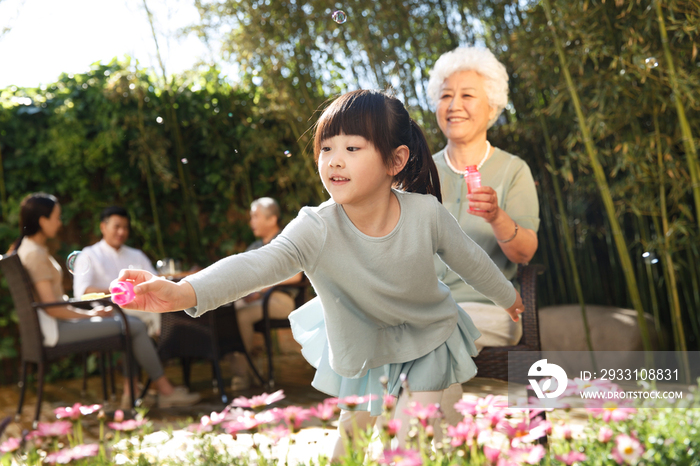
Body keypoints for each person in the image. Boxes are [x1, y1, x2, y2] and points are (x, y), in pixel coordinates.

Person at [115, 90, 524, 460]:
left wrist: (507, 295)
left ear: (395, 160)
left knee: (408, 444)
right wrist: (184, 291)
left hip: (429, 339)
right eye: (326, 148)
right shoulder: (316, 226)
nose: (334, 160)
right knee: (350, 445)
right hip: (365, 350)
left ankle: (446, 425)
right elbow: (258, 263)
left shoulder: (426, 214)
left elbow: (470, 259)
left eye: (351, 147)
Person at [7, 193, 200, 410]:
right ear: (43, 220)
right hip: (56, 329)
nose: (60, 223)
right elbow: (53, 309)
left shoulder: (30, 250)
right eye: (57, 217)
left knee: (130, 325)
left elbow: (52, 305)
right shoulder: (35, 254)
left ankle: (135, 391)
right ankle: (165, 390)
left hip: (55, 325)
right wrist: (91, 314)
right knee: (133, 325)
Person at [426, 46, 539, 352]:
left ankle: (427, 401)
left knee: (427, 335)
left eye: (468, 96)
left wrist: (496, 217)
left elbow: (524, 253)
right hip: (423, 305)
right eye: (446, 95)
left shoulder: (513, 170)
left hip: (488, 307)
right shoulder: (418, 171)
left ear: (492, 108)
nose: (454, 105)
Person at [230, 197, 303, 390]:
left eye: (255, 216)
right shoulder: (253, 248)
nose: (251, 221)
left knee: (242, 316)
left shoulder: (286, 241)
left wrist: (262, 288)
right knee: (227, 312)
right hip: (256, 300)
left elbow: (296, 277)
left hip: (280, 299)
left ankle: (243, 375)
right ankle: (251, 371)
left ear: (272, 219)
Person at [73, 206, 161, 337]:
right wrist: (118, 290)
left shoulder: (136, 254)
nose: (121, 232)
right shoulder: (89, 255)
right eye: (117, 226)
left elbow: (156, 280)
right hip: (111, 310)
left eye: (125, 227)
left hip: (141, 304)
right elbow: (81, 292)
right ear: (103, 227)